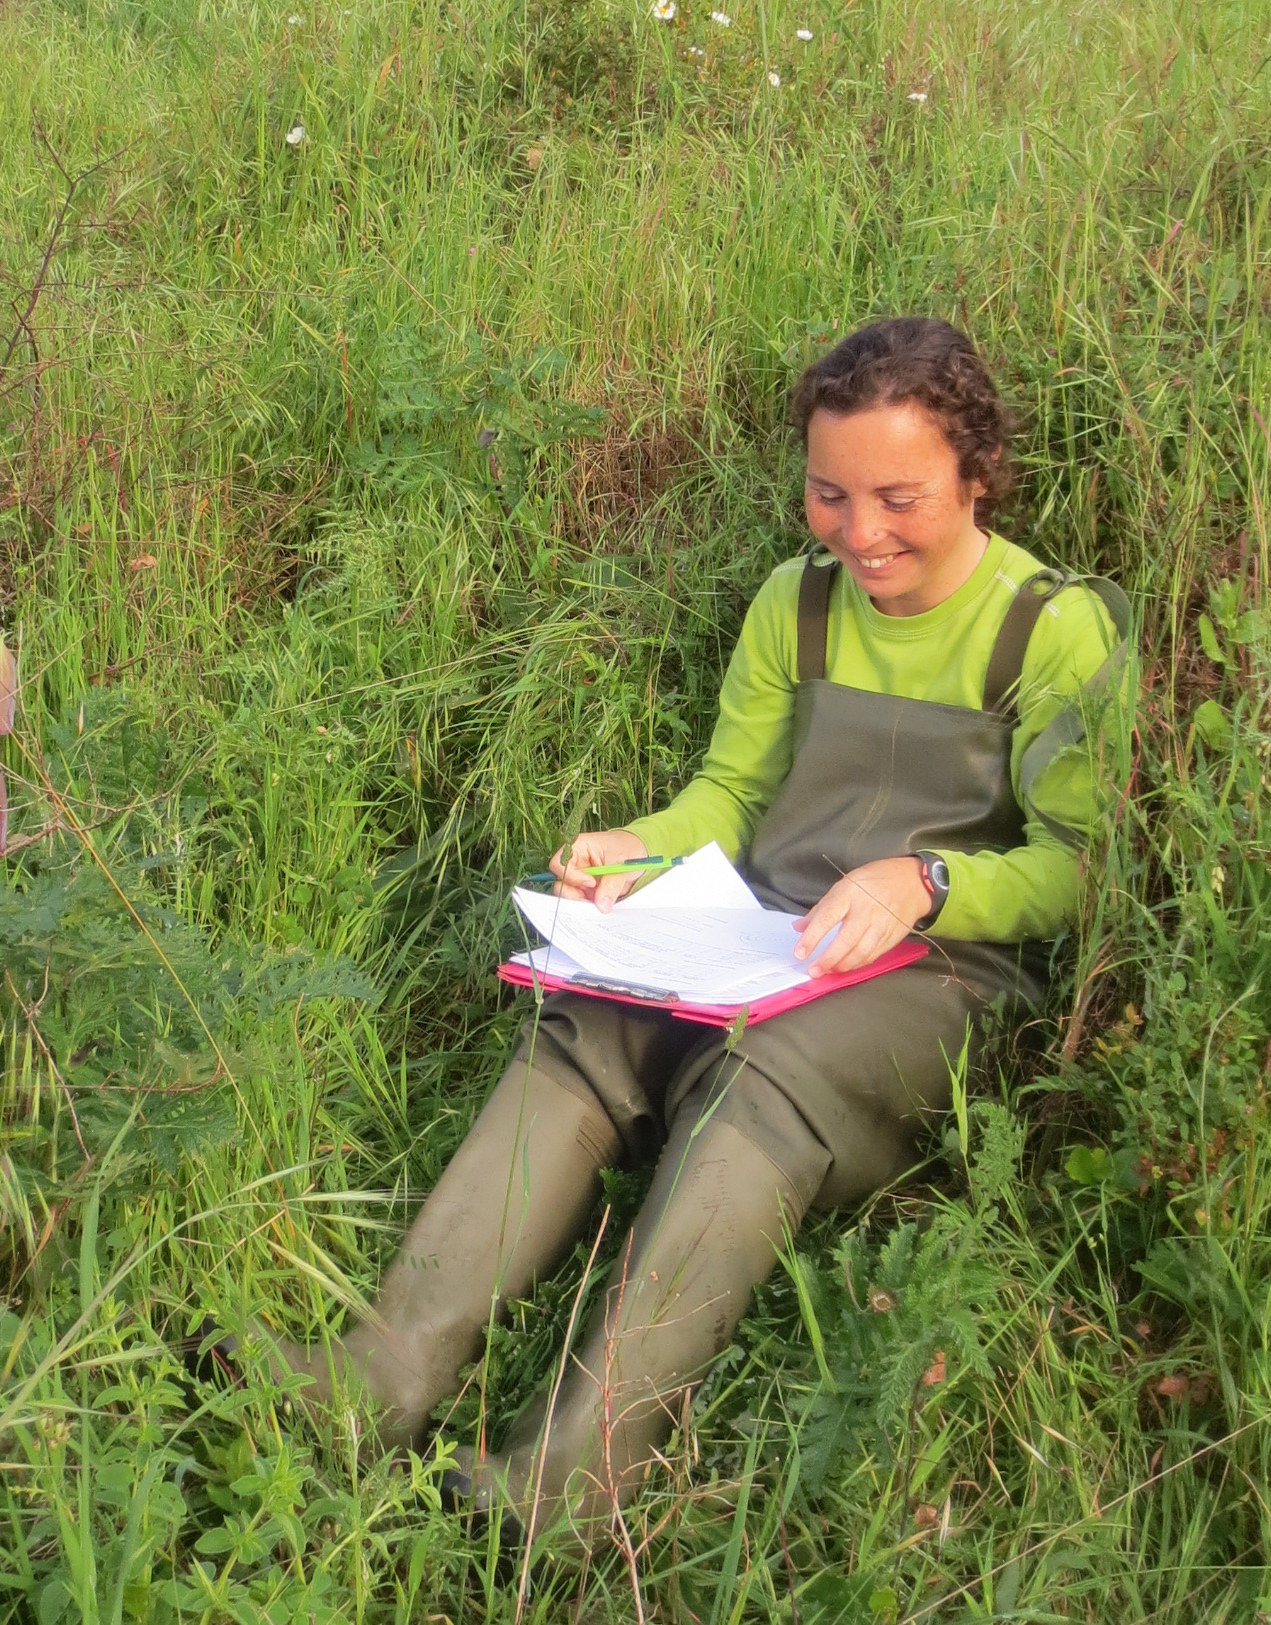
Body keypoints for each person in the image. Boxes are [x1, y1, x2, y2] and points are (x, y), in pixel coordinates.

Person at [234, 316, 1132, 1540]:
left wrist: (924, 880)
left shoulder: (1053, 629)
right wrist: (634, 849)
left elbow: (1073, 869)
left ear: (977, 475)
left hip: (943, 975)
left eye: (898, 496)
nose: (860, 532)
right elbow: (727, 797)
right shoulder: (795, 604)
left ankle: (585, 1468)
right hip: (765, 935)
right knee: (589, 1012)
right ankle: (379, 1376)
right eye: (829, 493)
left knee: (764, 1064)